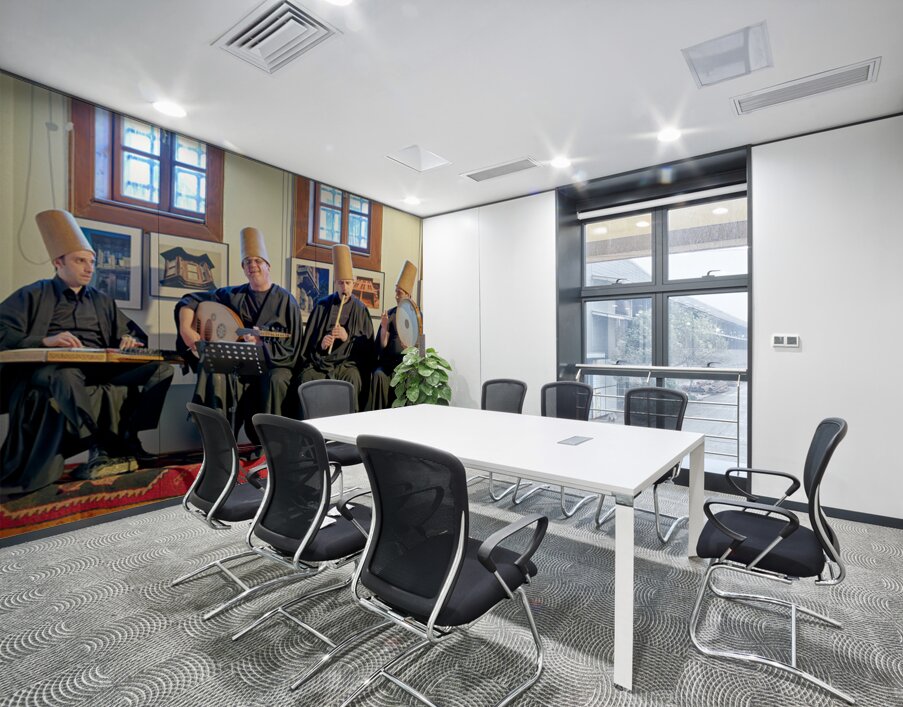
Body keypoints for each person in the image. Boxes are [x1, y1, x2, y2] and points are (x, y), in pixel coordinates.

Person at [0, 209, 174, 493]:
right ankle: (96, 443)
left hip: (97, 366)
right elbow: (2, 331)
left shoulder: (102, 300)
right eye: (80, 261)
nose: (89, 268)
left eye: (92, 262)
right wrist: (46, 341)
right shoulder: (34, 294)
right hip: (49, 370)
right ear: (58, 263)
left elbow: (131, 332)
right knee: (67, 374)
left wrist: (129, 339)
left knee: (162, 368)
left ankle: (131, 436)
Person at [175, 227, 302, 443]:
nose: (252, 266)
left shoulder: (286, 300)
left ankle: (270, 445)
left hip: (272, 366)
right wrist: (186, 329)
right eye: (247, 262)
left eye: (257, 261)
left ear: (267, 265)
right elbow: (190, 300)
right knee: (215, 373)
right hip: (239, 365)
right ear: (243, 268)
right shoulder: (233, 295)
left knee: (276, 379)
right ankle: (221, 442)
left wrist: (262, 346)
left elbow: (293, 346)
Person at [294, 244, 373, 410]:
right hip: (322, 360)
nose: (344, 287)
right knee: (307, 377)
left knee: (353, 378)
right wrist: (321, 344)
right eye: (341, 283)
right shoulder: (322, 305)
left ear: (353, 284)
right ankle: (312, 428)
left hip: (347, 363)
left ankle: (347, 427)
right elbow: (309, 341)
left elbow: (367, 346)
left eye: (348, 283)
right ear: (336, 284)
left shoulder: (360, 309)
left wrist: (347, 337)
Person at [367, 260, 417, 410]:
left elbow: (423, 347)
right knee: (378, 375)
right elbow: (381, 347)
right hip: (389, 365)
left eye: (399, 292)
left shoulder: (418, 316)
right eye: (395, 291)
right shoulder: (390, 314)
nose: (395, 296)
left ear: (408, 294)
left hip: (408, 366)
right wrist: (383, 329)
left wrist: (410, 350)